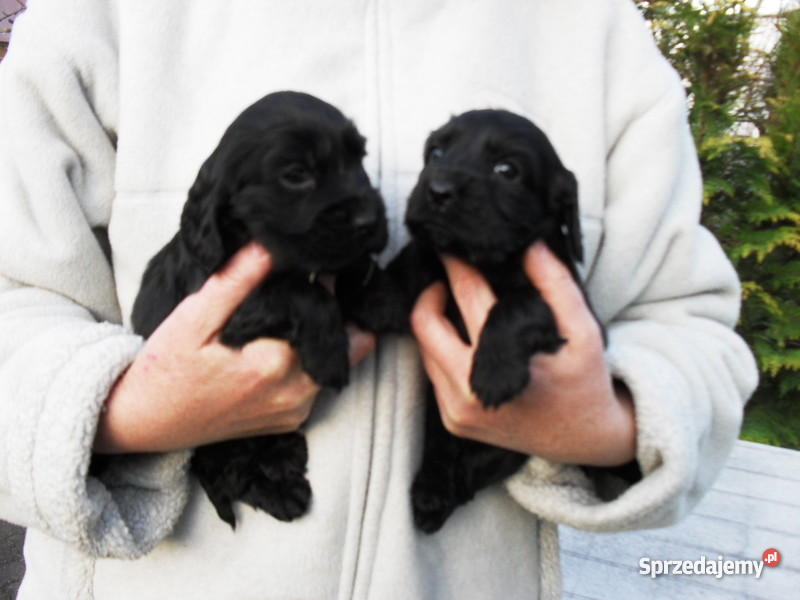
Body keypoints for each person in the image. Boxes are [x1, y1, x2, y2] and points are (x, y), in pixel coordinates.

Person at [0, 1, 757, 598]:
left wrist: (609, 423)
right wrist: (125, 409)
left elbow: (690, 325)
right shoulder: (100, 13)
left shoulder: (594, 27)